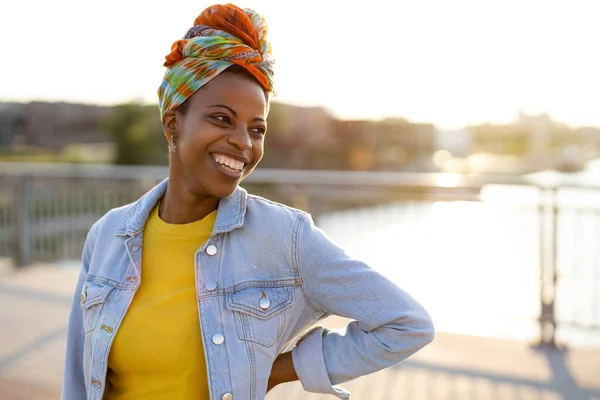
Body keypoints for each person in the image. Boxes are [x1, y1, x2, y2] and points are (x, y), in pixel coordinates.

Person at [60, 3, 435, 400]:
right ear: (173, 124)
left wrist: (278, 370)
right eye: (222, 119)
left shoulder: (285, 237)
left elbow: (406, 323)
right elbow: (78, 378)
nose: (243, 142)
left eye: (257, 129)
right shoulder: (107, 237)